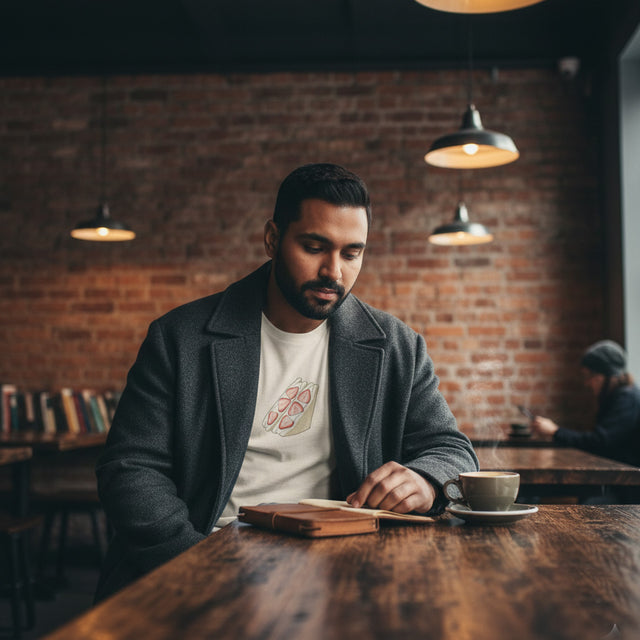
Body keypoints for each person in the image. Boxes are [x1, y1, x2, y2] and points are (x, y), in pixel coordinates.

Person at [94, 163, 478, 600]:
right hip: (203, 557)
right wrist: (199, 568)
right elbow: (130, 470)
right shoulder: (179, 338)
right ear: (273, 239)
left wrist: (425, 480)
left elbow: (453, 450)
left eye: (352, 253)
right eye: (315, 247)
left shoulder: (397, 347)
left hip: (341, 569)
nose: (334, 271)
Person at [530, 339, 640, 501]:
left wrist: (555, 431)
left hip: (626, 489)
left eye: (591, 376)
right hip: (613, 481)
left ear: (609, 375)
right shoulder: (620, 396)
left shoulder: (626, 398)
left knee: (538, 490)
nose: (587, 383)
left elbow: (599, 442)